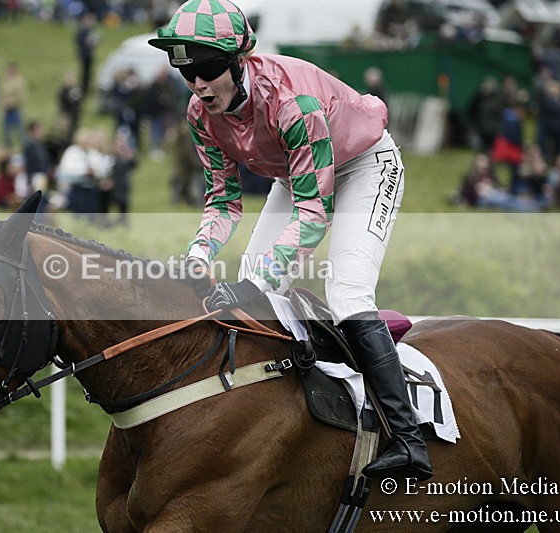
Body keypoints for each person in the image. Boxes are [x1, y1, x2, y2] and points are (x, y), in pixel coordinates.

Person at [149, 0, 431, 481]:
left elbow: (313, 214)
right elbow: (223, 201)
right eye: (186, 71)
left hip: (364, 165)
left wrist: (261, 278)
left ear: (239, 60)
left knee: (346, 294)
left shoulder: (289, 102)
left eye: (210, 68)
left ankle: (408, 440)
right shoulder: (201, 113)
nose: (198, 84)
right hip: (297, 173)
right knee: (251, 296)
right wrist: (198, 255)